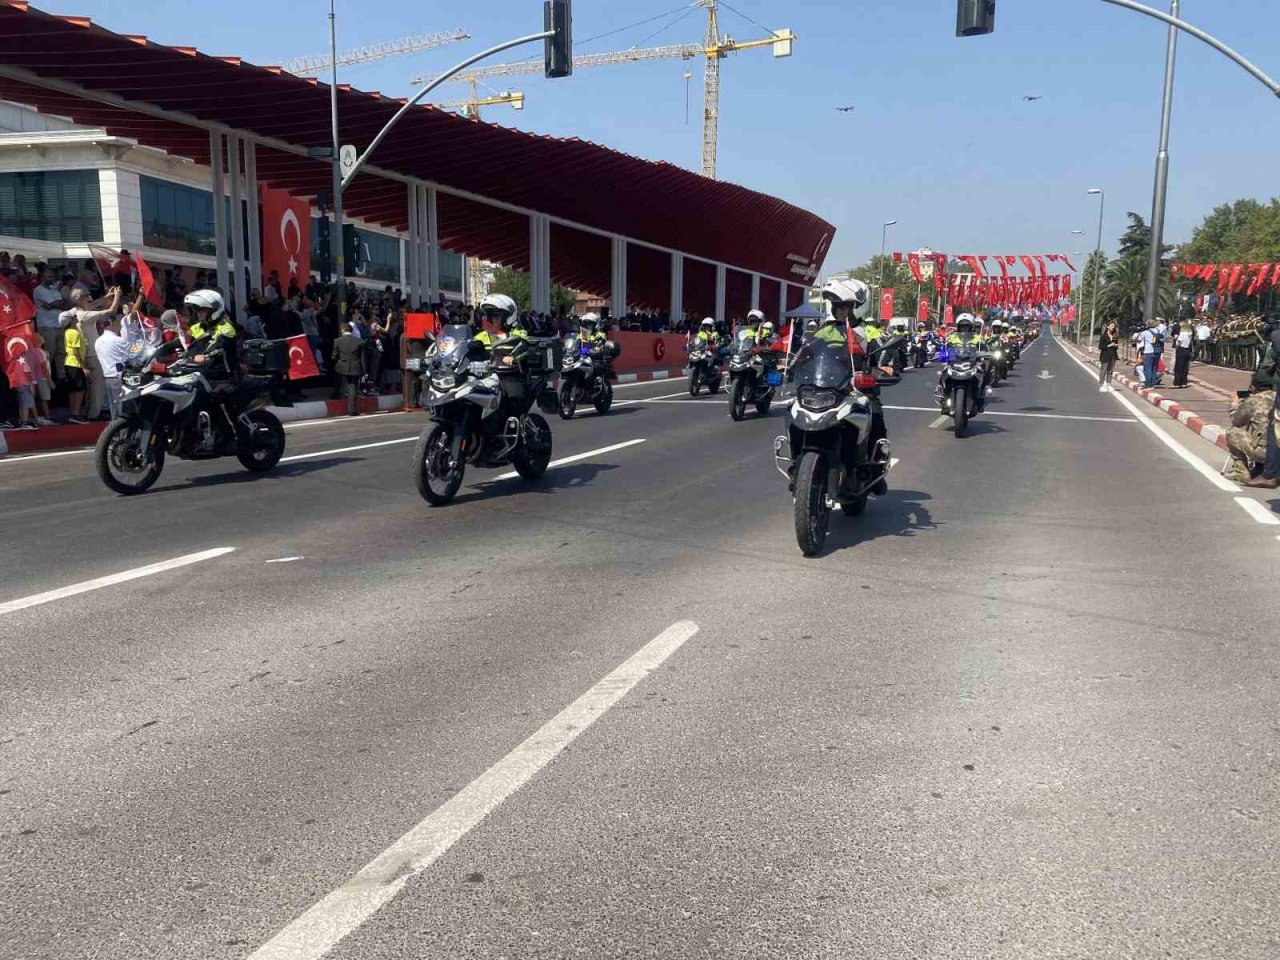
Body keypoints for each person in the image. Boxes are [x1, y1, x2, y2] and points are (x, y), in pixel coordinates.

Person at [70, 285, 123, 420]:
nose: (89, 298)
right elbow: (111, 310)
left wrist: (106, 297)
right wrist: (117, 296)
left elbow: (92, 305)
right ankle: (94, 414)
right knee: (97, 387)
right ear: (80, 299)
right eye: (86, 296)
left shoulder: (77, 311)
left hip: (87, 353)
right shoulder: (85, 315)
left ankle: (90, 411)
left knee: (92, 386)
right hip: (92, 354)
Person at [1244, 317, 1280, 490]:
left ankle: (1270, 474)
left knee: (1275, 430)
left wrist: (1257, 383)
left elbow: (1266, 366)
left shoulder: (1277, 336)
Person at [1223, 374, 1276, 483]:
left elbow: (1236, 420)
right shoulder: (1277, 398)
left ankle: (1241, 471)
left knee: (1232, 431)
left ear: (1253, 386)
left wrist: (1235, 404)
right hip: (1276, 451)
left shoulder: (1254, 400)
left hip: (1264, 452)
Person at [93, 314, 130, 420]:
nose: (120, 325)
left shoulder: (98, 341)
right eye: (118, 322)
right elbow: (131, 356)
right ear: (112, 323)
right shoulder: (118, 340)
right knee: (123, 410)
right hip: (120, 378)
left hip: (108, 378)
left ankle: (116, 429)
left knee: (114, 410)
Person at [331, 322, 365, 416]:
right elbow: (363, 358)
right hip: (355, 366)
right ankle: (352, 410)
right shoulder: (360, 341)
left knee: (338, 381)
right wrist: (364, 371)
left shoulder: (337, 341)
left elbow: (334, 356)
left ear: (342, 330)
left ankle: (337, 396)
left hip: (341, 367)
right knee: (353, 387)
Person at [1098, 321, 1120, 392]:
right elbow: (1100, 346)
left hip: (1113, 355)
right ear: (1108, 326)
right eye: (1111, 325)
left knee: (1110, 371)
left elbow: (1116, 346)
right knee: (1103, 371)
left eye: (1114, 326)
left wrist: (1116, 345)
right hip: (1105, 355)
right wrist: (1109, 345)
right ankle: (1101, 385)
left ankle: (1109, 384)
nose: (1113, 327)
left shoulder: (1114, 336)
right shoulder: (1103, 335)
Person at [1172, 320, 1193, 388]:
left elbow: (1179, 343)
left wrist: (1176, 341)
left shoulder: (1182, 334)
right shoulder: (1189, 334)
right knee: (1185, 367)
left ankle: (1177, 383)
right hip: (1187, 350)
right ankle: (1184, 382)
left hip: (1181, 349)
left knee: (1178, 367)